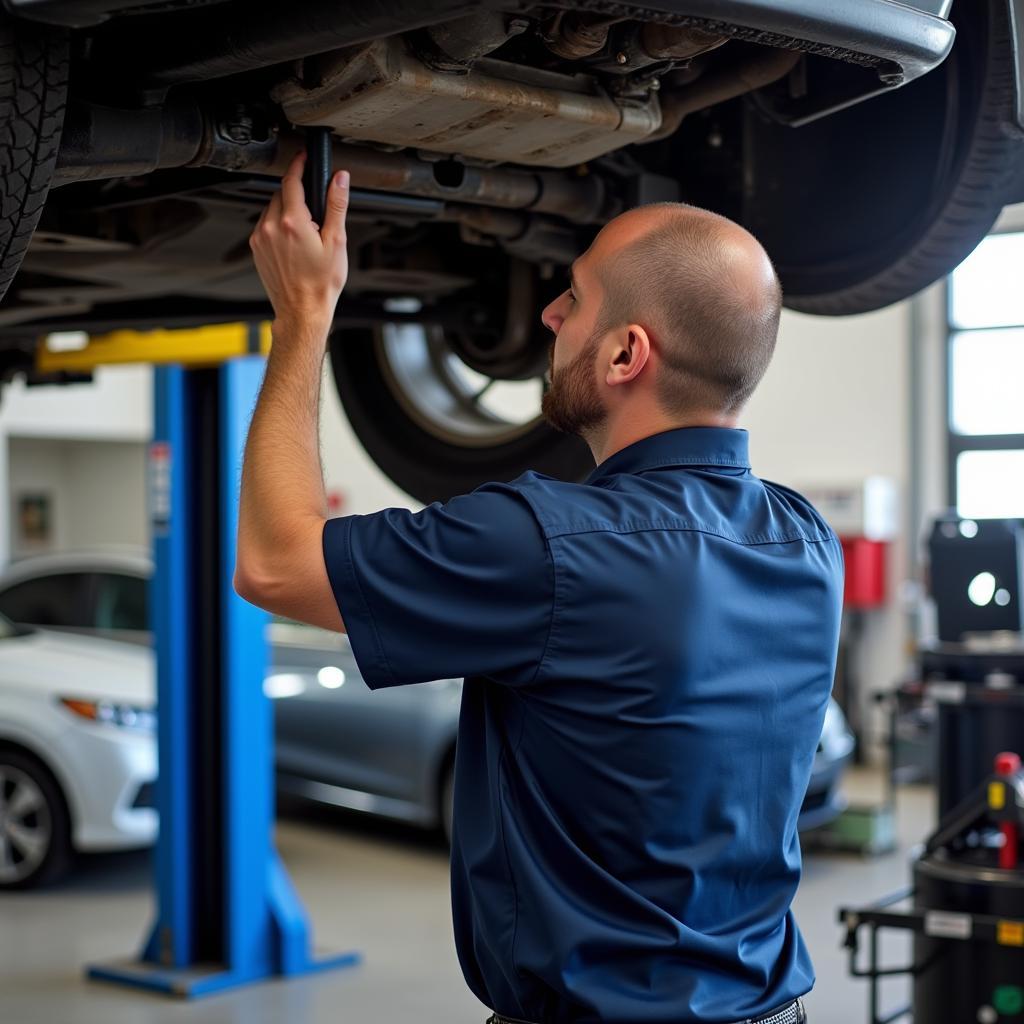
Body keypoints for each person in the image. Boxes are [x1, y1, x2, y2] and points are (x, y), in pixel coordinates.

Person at [236, 150, 843, 1024]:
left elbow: (272, 562)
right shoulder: (807, 543)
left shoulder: (547, 547)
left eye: (577, 296)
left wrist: (303, 315)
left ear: (629, 352)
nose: (550, 312)